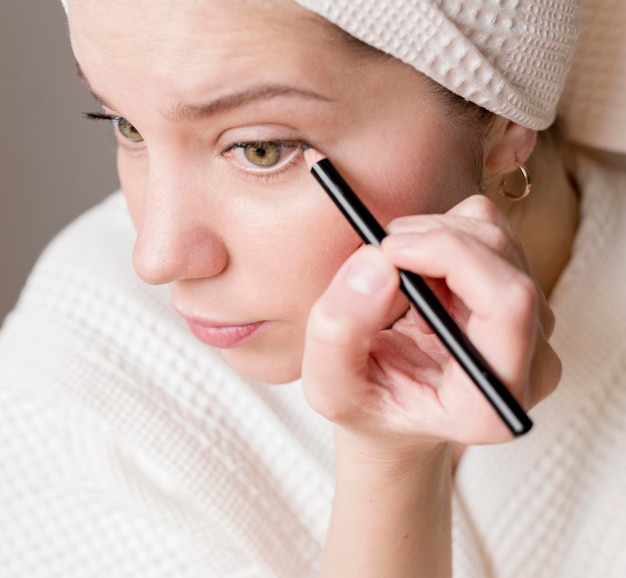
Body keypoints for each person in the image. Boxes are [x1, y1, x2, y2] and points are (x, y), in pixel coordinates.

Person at [1, 0, 625, 576]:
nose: (157, 258)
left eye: (261, 148)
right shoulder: (82, 356)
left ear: (501, 117)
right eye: (127, 127)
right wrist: (388, 466)